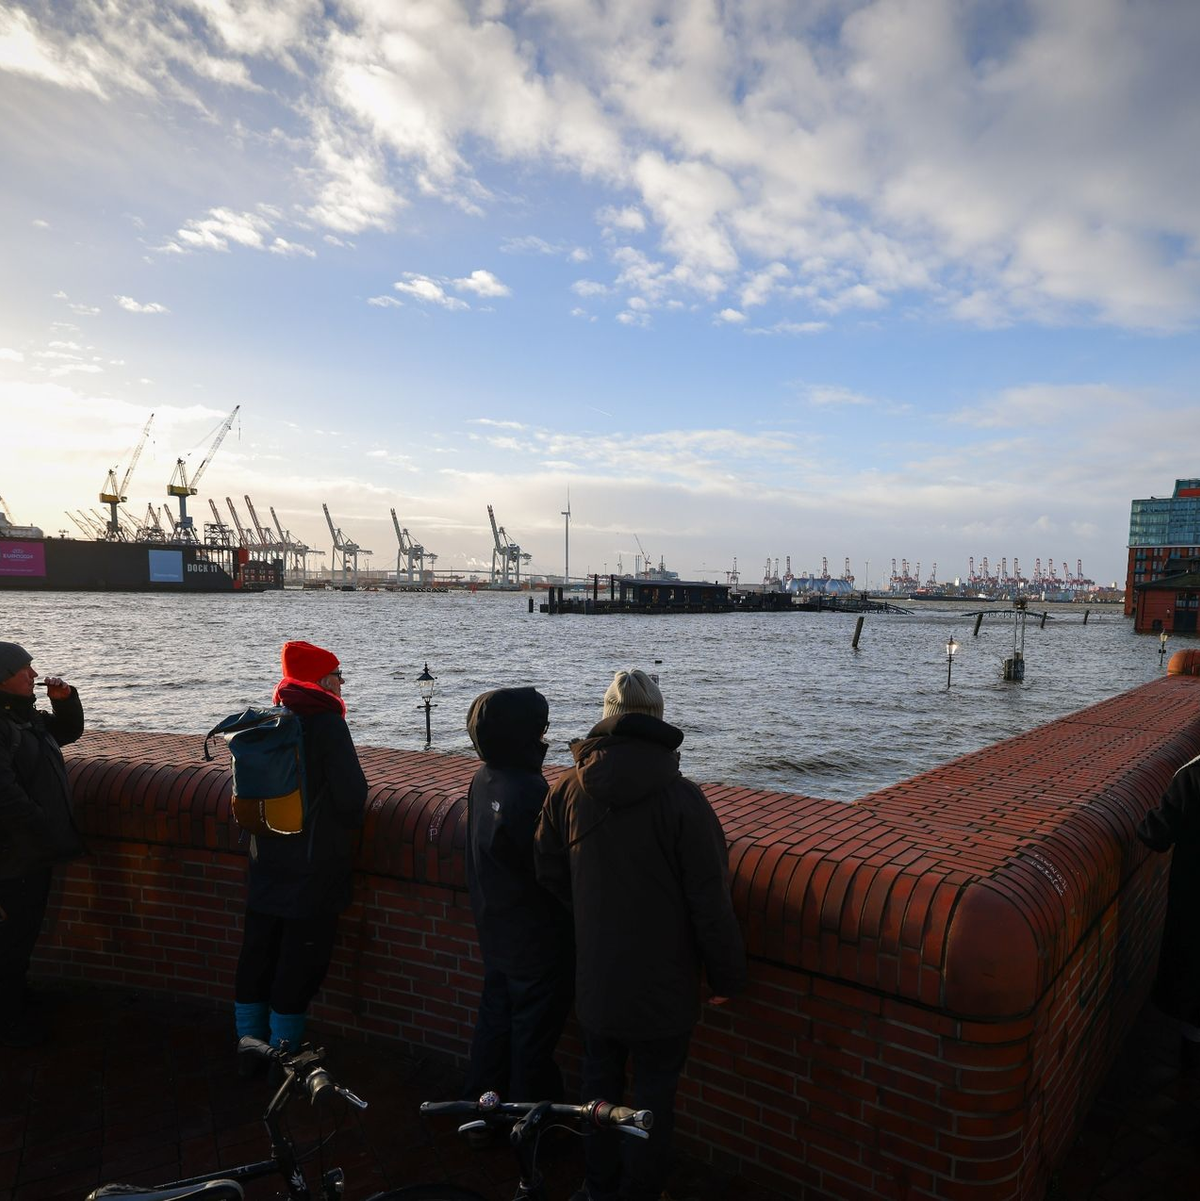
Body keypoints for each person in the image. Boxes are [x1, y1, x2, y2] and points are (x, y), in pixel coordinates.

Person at [535, 668, 747, 1201]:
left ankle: (596, 1186)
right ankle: (640, 1192)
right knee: (653, 1100)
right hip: (664, 983)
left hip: (598, 977)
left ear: (606, 714)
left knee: (598, 1091)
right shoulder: (683, 801)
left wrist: (588, 914)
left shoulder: (567, 789)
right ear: (657, 717)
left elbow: (547, 869)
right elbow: (710, 901)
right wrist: (726, 974)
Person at [233, 640, 367, 1058]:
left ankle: (247, 1049)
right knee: (299, 964)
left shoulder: (271, 718)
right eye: (339, 677)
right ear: (323, 681)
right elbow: (351, 797)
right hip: (312, 866)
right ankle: (284, 1057)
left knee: (257, 955)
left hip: (265, 855)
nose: (342, 685)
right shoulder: (326, 723)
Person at [463, 687, 574, 1107]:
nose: (545, 735)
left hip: (496, 929)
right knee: (532, 1037)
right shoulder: (528, 791)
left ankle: (480, 1106)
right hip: (536, 941)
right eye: (540, 727)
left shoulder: (484, 778)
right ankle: (529, 1124)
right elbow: (550, 870)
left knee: (495, 1021)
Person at [0, 641, 84, 1048]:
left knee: (24, 931)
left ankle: (17, 1001)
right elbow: (5, 795)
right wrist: (41, 823)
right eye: (25, 670)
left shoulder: (23, 716)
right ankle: (11, 1019)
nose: (34, 675)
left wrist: (65, 701)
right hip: (11, 856)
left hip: (30, 852)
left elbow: (67, 732)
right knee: (11, 937)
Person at [1136, 752, 1200, 1071]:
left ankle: (1188, 1075)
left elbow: (1155, 834)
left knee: (1194, 991)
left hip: (1195, 906)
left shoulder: (1193, 776)